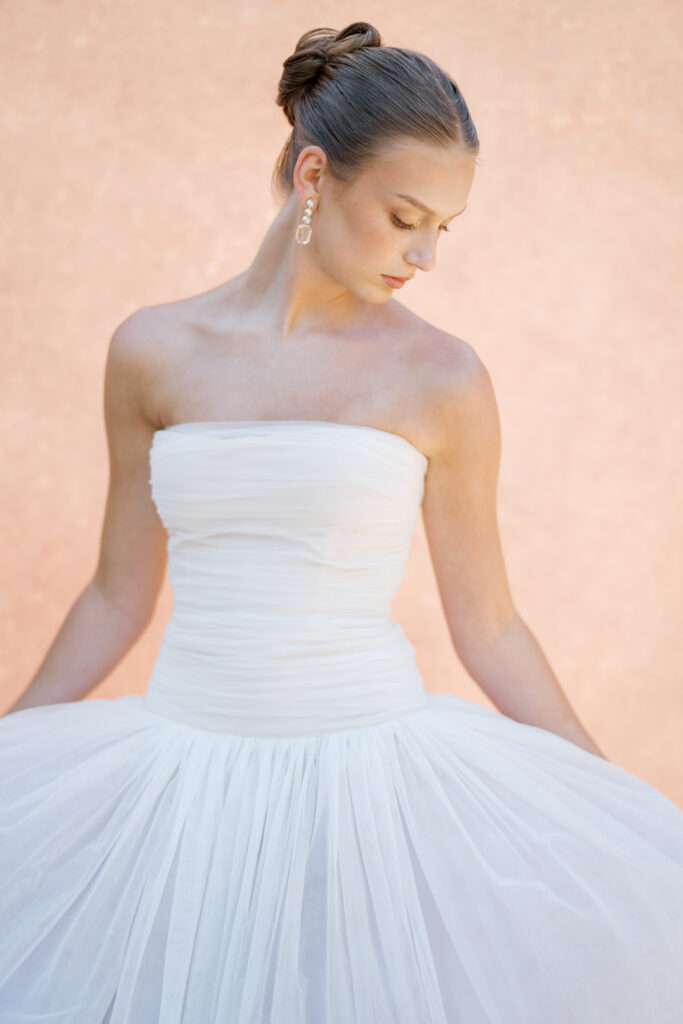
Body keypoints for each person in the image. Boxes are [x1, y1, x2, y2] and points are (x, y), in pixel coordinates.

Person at [1, 20, 682, 1023]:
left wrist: (606, 806)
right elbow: (116, 590)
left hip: (371, 788)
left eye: (444, 227)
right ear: (314, 174)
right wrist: (15, 742)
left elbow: (487, 622)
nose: (427, 255)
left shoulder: (442, 376)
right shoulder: (151, 350)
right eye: (407, 216)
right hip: (183, 783)